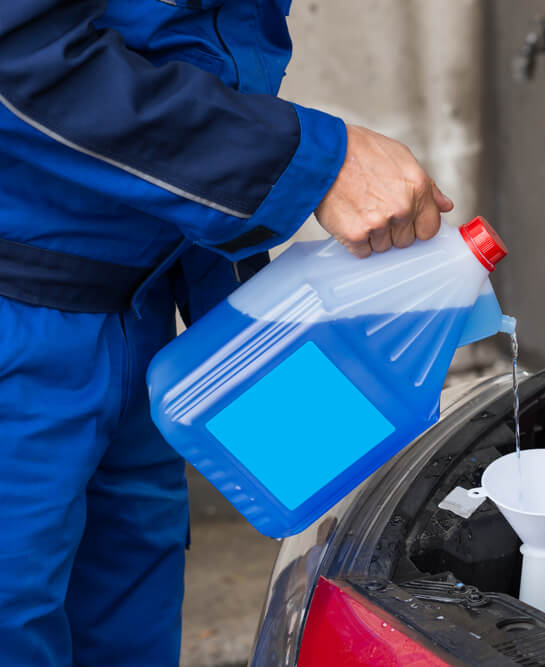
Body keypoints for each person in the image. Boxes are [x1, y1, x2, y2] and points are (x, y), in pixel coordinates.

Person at [0, 1, 453, 665]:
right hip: (22, 312)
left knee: (127, 631)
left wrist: (243, 321)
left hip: (142, 316)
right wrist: (316, 160)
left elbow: (194, 53)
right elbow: (18, 56)